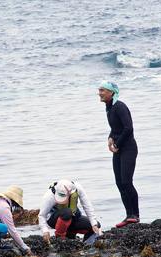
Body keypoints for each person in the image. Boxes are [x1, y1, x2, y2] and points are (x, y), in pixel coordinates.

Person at [99, 80, 139, 226]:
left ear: (112, 92)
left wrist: (117, 143)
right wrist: (110, 136)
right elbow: (116, 127)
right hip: (118, 150)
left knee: (127, 182)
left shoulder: (120, 106)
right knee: (119, 183)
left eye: (103, 90)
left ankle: (135, 215)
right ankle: (129, 215)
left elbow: (128, 128)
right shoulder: (109, 107)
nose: (100, 93)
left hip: (128, 148)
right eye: (99, 90)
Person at [39, 179, 101, 244]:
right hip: (55, 220)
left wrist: (94, 223)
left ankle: (73, 235)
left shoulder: (77, 188)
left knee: (96, 226)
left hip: (72, 218)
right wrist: (45, 230)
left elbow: (87, 206)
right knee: (67, 212)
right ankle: (60, 237)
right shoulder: (49, 195)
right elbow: (42, 216)